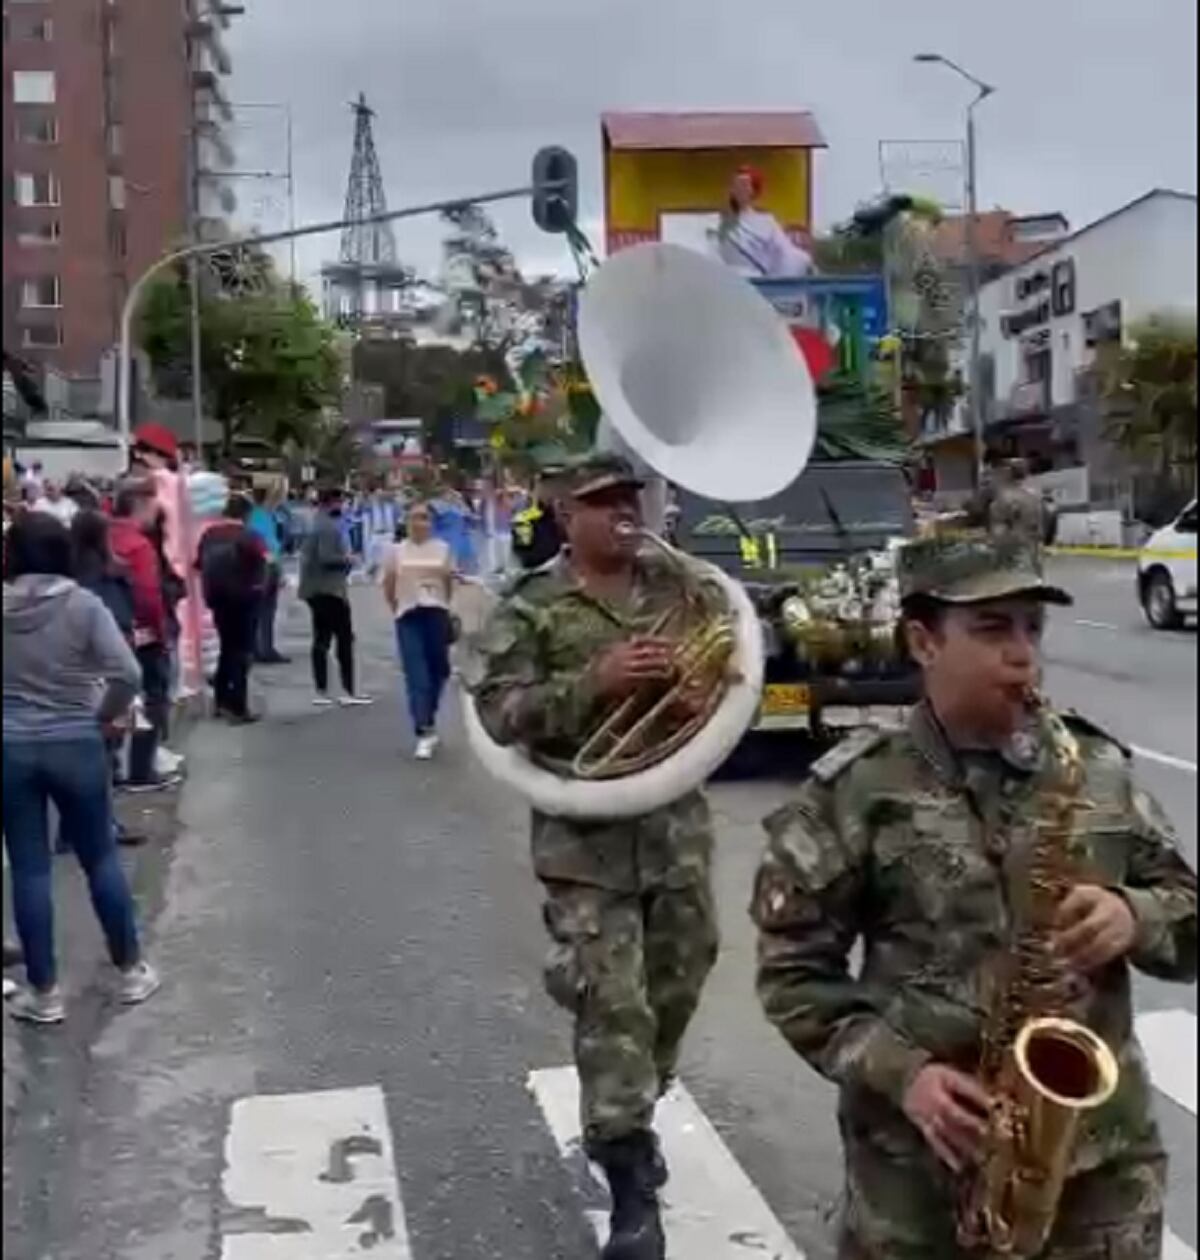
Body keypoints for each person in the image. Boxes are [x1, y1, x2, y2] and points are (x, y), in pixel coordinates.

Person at [750, 533, 1197, 1259]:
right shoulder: (857, 791)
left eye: (1032, 628)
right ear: (923, 642)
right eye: (993, 629)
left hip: (1101, 1176)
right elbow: (792, 976)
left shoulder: (1096, 767)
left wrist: (1133, 915)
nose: (1023, 654)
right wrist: (905, 1073)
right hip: (921, 1181)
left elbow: (1187, 908)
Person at [474, 453, 722, 1259]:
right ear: (564, 512)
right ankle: (628, 1185)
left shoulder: (678, 588)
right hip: (585, 843)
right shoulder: (532, 605)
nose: (622, 512)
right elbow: (501, 712)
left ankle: (635, 1105)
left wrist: (696, 694)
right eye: (602, 502)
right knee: (617, 1007)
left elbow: (726, 676)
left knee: (678, 983)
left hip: (674, 827)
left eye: (629, 498)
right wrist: (596, 681)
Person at [3, 513, 161, 1024]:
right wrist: (102, 716)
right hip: (76, 739)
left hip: (12, 746)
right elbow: (129, 672)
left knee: (29, 869)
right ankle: (131, 969)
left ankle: (44, 992)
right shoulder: (83, 605)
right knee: (99, 857)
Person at [108, 479, 178, 791]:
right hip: (143, 634)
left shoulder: (104, 536)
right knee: (152, 697)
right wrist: (162, 635)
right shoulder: (139, 545)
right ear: (139, 503)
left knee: (120, 700)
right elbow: (149, 598)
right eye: (153, 503)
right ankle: (141, 768)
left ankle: (115, 766)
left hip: (109, 633)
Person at [382, 501, 455, 759]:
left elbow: (448, 582)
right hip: (409, 614)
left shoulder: (442, 549)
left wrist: (445, 607)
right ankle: (423, 730)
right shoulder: (396, 551)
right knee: (417, 674)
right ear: (406, 522)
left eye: (424, 518)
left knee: (440, 670)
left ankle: (429, 713)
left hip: (436, 613)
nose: (419, 523)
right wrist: (397, 607)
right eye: (414, 518)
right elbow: (389, 584)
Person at [298, 486, 372, 708]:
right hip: (330, 589)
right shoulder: (327, 527)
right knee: (344, 638)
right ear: (332, 503)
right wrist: (348, 559)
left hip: (314, 589)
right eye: (341, 502)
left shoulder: (314, 523)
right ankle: (348, 688)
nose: (344, 507)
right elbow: (327, 557)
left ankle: (322, 690)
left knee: (321, 640)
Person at [198, 494, 268, 724]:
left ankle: (220, 701)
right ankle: (238, 706)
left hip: (217, 599)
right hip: (245, 599)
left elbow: (198, 564)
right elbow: (264, 560)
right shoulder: (250, 536)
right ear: (247, 514)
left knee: (227, 648)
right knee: (242, 652)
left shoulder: (209, 535)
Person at [715, 165, 814, 279]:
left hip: (756, 281)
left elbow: (783, 252)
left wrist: (802, 259)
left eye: (744, 185)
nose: (739, 189)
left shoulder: (765, 222)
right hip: (728, 280)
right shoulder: (720, 222)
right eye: (736, 184)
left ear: (753, 189)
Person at [248, 485, 289, 664]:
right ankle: (264, 648)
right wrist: (279, 570)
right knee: (266, 609)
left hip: (259, 564)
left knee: (260, 609)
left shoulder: (256, 516)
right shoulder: (263, 517)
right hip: (266, 565)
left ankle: (259, 647)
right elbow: (271, 545)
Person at [988, 457, 1047, 549]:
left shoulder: (1007, 496)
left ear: (1008, 473)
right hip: (1031, 542)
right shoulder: (1034, 493)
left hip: (1013, 545)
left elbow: (1006, 523)